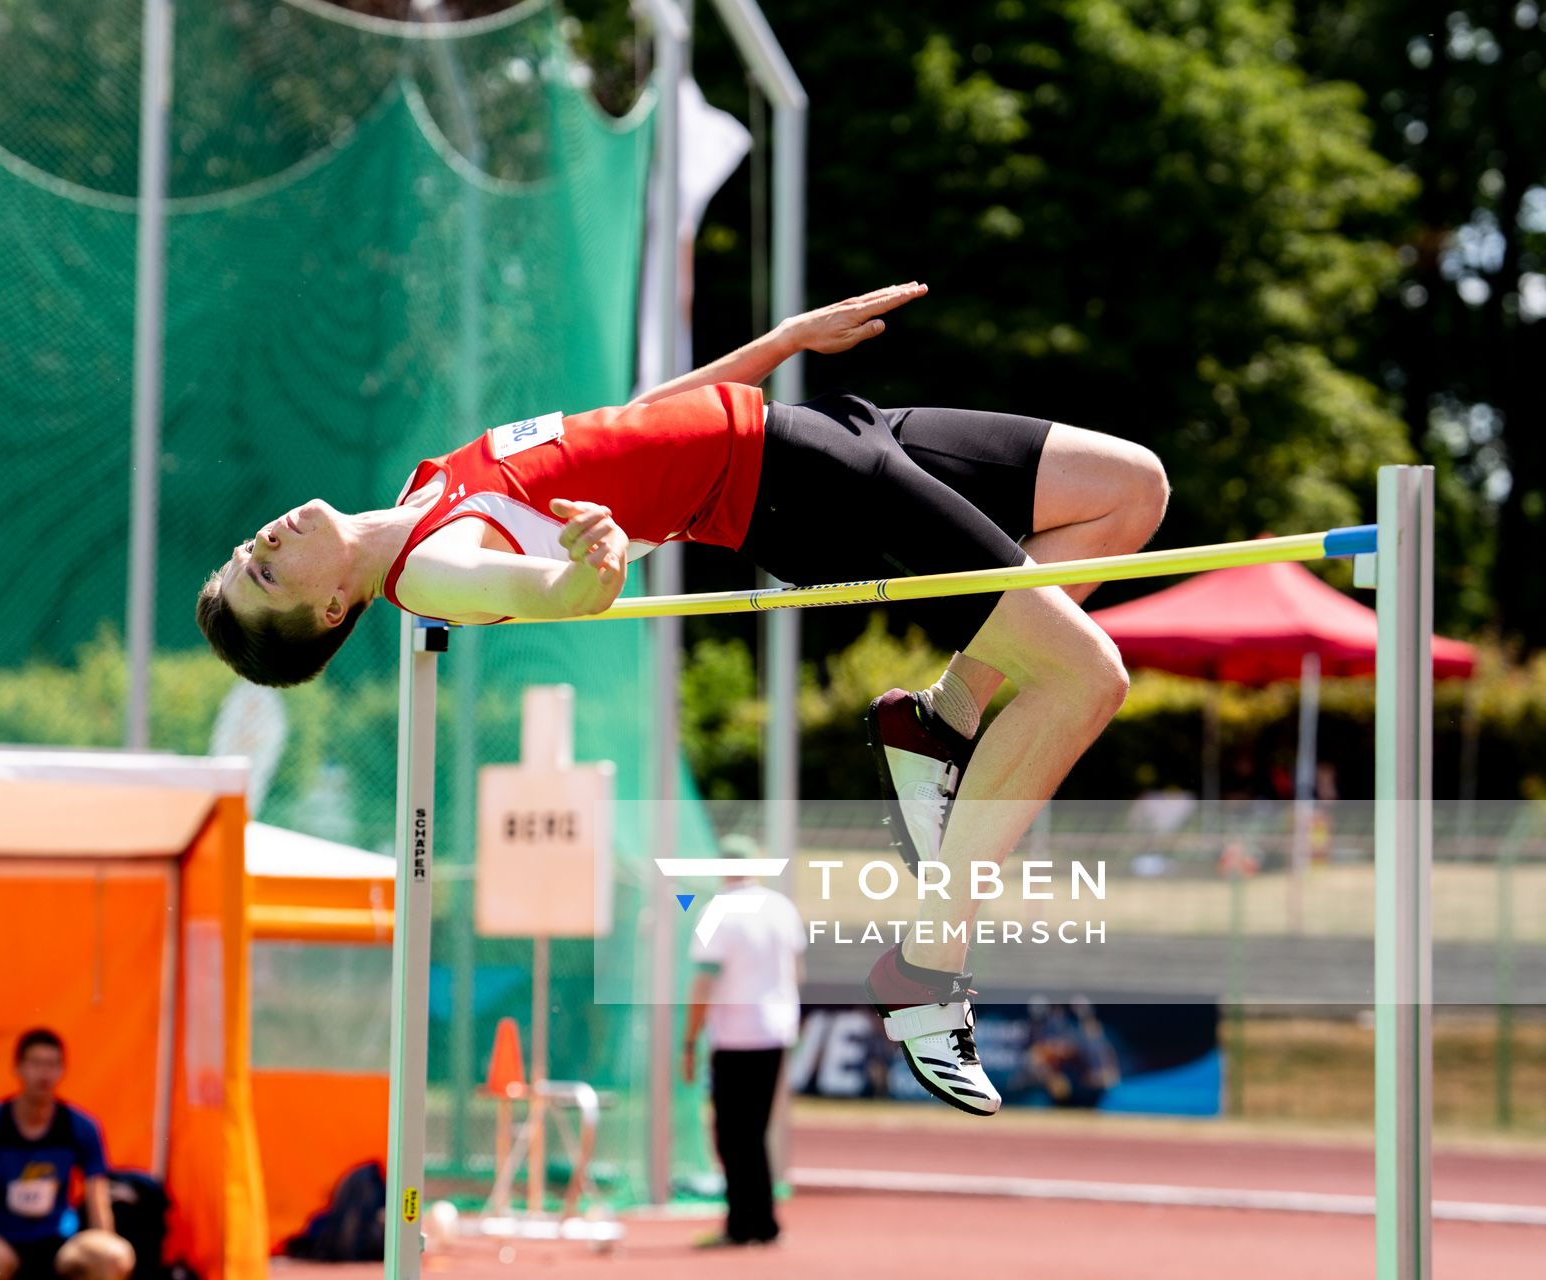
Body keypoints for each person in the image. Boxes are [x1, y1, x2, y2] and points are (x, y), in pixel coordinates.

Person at [196, 280, 1168, 1116]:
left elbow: (634, 422)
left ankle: (941, 718)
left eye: (248, 553)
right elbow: (552, 593)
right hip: (803, 486)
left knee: (1130, 491)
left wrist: (781, 342)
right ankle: (924, 966)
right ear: (332, 608)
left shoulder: (425, 486)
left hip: (814, 426)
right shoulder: (432, 567)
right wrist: (594, 568)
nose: (265, 543)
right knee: (1090, 679)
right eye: (266, 575)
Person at [680, 834, 805, 1248]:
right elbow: (795, 969)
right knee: (754, 1130)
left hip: (736, 1033)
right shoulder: (781, 908)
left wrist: (689, 1040)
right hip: (775, 1030)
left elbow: (703, 983)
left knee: (733, 1135)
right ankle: (762, 1221)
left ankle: (742, 1223)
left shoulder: (719, 911)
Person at [0, 1030, 135, 1280]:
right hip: (1, 1242)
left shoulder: (81, 1126)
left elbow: (98, 1202)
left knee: (114, 1254)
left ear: (62, 1070)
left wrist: (105, 1248)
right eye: (35, 1064)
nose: (44, 1074)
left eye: (52, 1064)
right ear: (17, 1068)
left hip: (58, 1242)